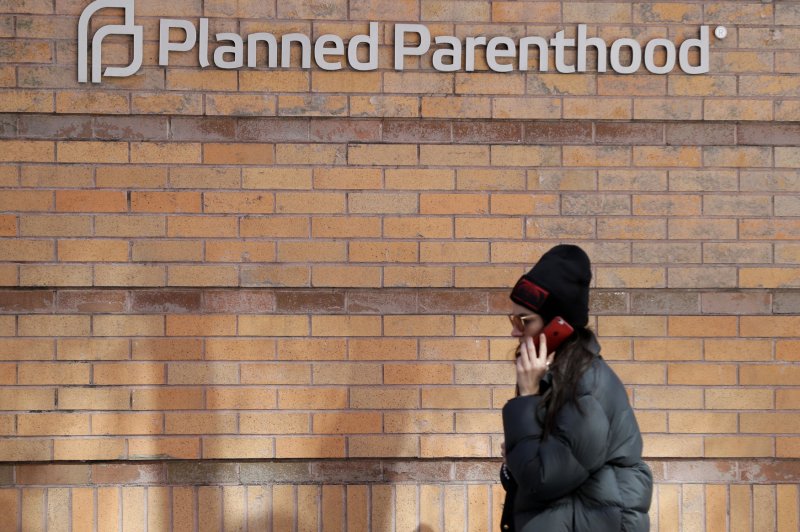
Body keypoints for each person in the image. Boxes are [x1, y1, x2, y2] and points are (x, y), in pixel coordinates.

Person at [499, 244, 652, 531]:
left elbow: (543, 479)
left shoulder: (587, 386)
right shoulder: (559, 377)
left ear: (559, 325)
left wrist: (528, 397)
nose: (514, 331)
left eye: (524, 321)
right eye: (512, 319)